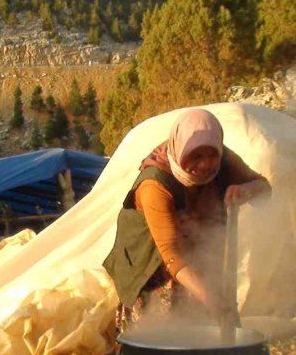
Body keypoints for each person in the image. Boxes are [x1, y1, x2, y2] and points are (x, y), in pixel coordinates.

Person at [103, 109, 271, 331]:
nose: (205, 165)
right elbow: (171, 252)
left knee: (210, 332)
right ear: (180, 149)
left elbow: (264, 190)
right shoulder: (155, 184)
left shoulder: (222, 158)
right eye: (196, 156)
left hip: (198, 256)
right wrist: (213, 301)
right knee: (164, 336)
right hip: (153, 265)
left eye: (211, 156)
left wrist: (245, 191)